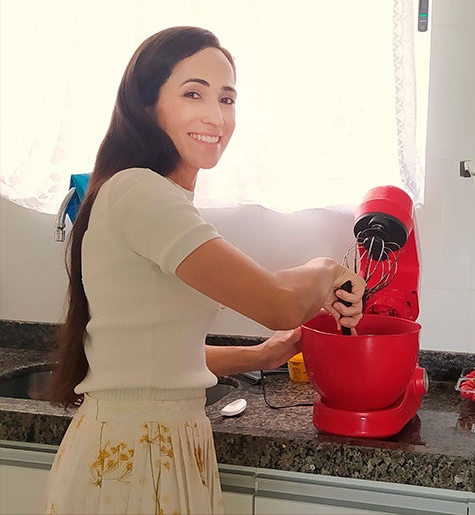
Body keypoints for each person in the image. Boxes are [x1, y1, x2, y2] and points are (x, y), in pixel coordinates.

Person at [43, 26, 366, 515]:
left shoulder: (156, 197)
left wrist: (260, 357)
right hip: (133, 460)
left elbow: (157, 360)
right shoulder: (140, 192)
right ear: (147, 103)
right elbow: (278, 302)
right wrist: (327, 269)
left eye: (227, 98)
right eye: (193, 93)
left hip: (156, 447)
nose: (216, 116)